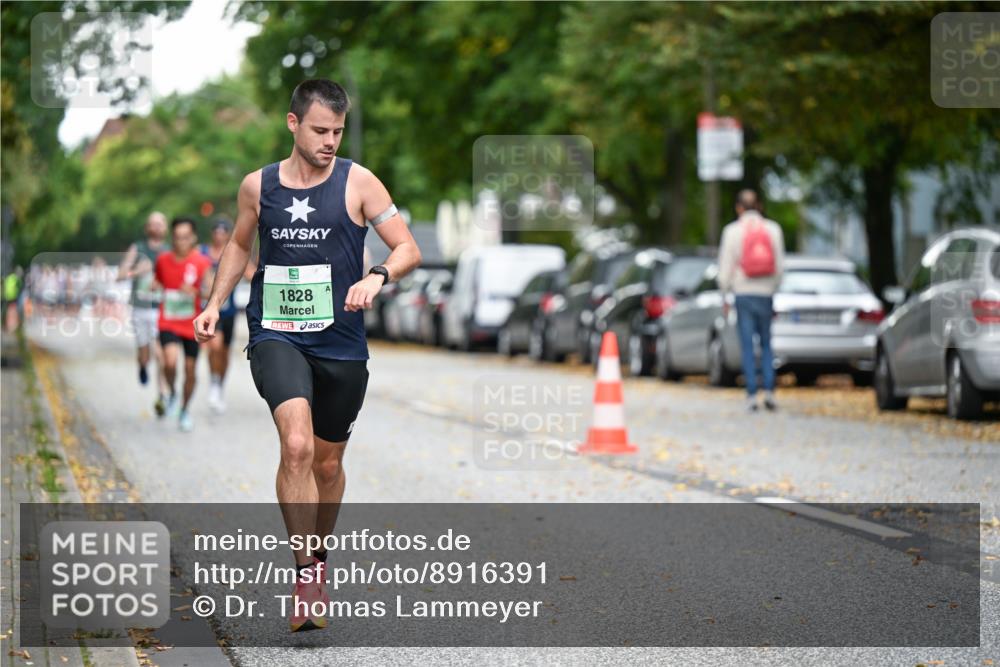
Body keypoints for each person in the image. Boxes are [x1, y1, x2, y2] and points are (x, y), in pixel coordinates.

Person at [193, 79, 421, 632]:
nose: (330, 141)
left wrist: (377, 275)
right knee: (295, 445)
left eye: (338, 131)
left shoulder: (359, 181)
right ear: (293, 123)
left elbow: (406, 246)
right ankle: (306, 573)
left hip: (341, 339)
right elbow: (241, 244)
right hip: (277, 331)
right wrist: (214, 303)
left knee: (327, 462)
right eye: (320, 130)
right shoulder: (259, 186)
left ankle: (320, 556)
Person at [717, 189, 786, 412]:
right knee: (767, 344)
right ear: (760, 206)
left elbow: (725, 267)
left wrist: (725, 292)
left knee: (748, 345)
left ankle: (751, 395)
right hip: (765, 294)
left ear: (739, 208)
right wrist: (772, 288)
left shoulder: (732, 231)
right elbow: (780, 267)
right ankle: (770, 391)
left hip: (743, 292)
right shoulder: (773, 229)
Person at [154, 217, 212, 432]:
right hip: (167, 319)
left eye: (186, 238)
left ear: (193, 238)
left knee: (190, 370)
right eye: (177, 238)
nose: (181, 242)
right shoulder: (162, 260)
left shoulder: (201, 262)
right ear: (173, 238)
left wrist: (196, 292)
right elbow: (158, 280)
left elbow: (210, 291)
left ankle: (185, 409)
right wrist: (152, 286)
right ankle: (171, 392)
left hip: (191, 323)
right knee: (169, 362)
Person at [199, 219, 256, 414]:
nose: (219, 235)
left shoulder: (234, 254)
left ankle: (219, 385)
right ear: (212, 233)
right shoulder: (203, 253)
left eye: (223, 232)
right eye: (216, 231)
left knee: (224, 352)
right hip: (210, 309)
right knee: (214, 346)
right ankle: (214, 382)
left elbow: (251, 272)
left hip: (229, 310)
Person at [118, 212, 170, 415]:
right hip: (140, 309)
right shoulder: (138, 248)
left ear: (165, 228)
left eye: (160, 224)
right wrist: (136, 272)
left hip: (161, 309)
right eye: (152, 224)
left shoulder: (170, 251)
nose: (156, 227)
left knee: (161, 354)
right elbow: (120, 275)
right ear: (147, 227)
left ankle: (162, 396)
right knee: (145, 355)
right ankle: (141, 365)